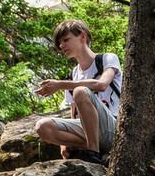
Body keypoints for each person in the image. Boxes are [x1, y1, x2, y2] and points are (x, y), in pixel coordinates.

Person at [31, 19, 122, 157]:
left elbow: (102, 85)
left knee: (80, 90)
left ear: (83, 36)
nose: (61, 46)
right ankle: (89, 147)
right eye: (59, 43)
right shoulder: (73, 74)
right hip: (88, 131)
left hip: (113, 128)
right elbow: (74, 113)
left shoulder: (107, 59)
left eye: (66, 40)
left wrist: (60, 85)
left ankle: (94, 154)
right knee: (42, 126)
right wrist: (63, 144)